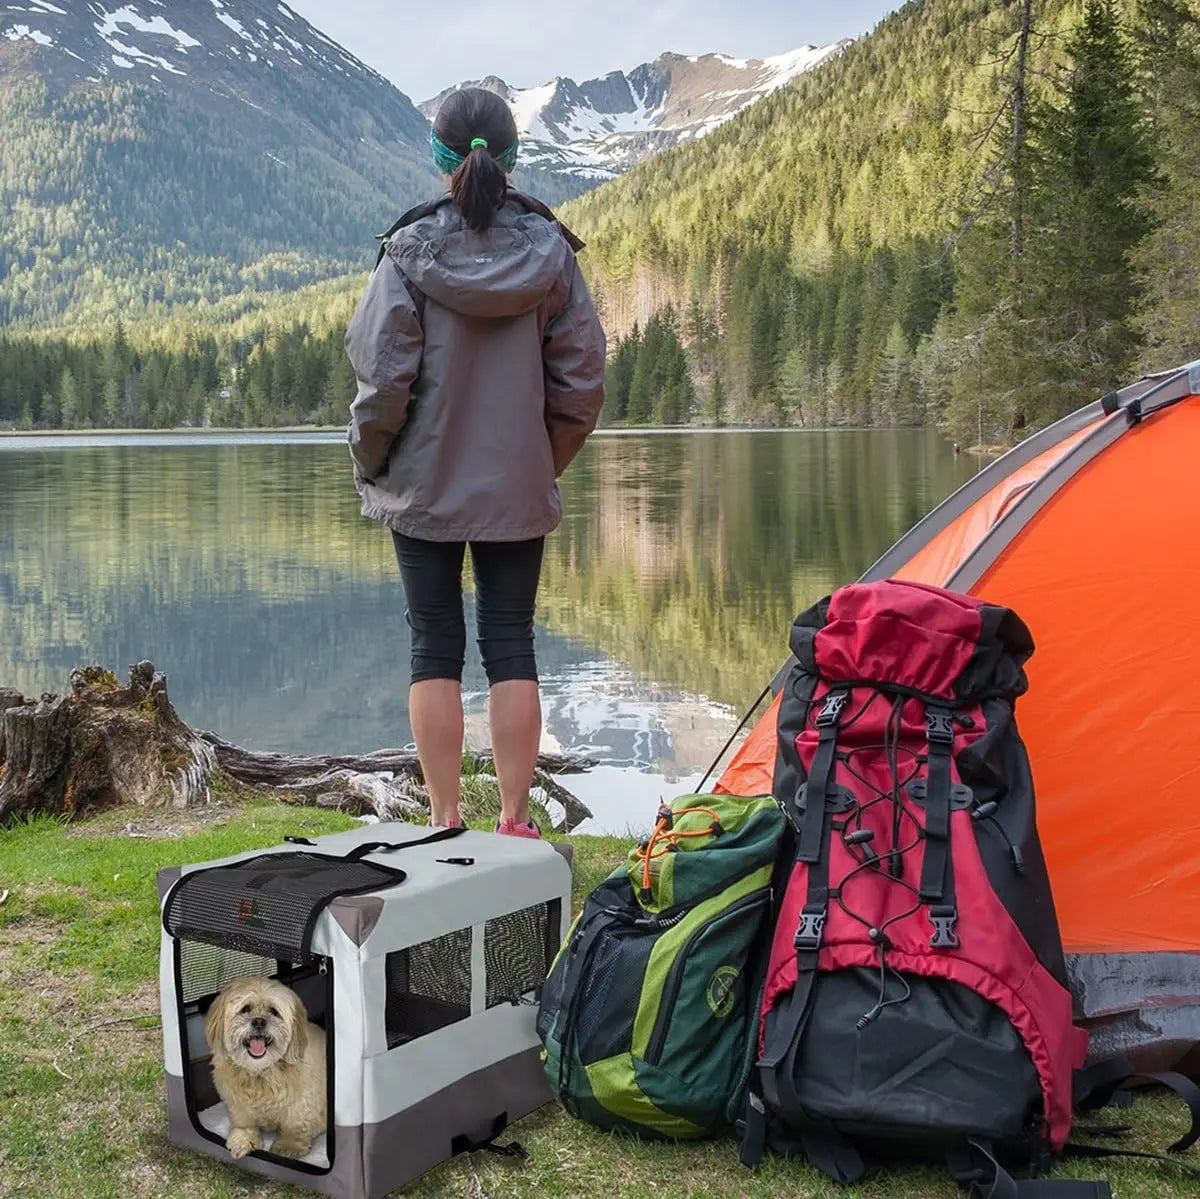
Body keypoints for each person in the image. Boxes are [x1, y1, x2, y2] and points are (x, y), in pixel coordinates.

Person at [345, 87, 606, 838]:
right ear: (510, 156)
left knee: (434, 643)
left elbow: (380, 378)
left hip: (421, 488)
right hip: (517, 487)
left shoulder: (409, 251)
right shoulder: (550, 253)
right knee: (511, 641)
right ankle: (517, 820)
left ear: (440, 158)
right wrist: (537, 462)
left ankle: (445, 816)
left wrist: (373, 460)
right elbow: (582, 383)